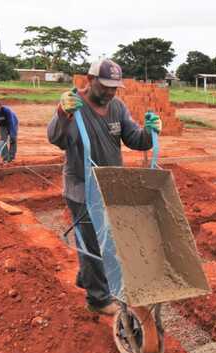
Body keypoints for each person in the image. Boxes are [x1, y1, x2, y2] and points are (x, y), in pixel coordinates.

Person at [47, 59, 162, 315]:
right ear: (90, 80)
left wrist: (150, 132)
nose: (111, 92)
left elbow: (134, 139)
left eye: (115, 87)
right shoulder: (74, 105)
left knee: (108, 240)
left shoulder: (117, 108)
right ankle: (97, 300)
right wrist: (61, 114)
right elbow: (56, 139)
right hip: (82, 186)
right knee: (91, 242)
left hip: (111, 185)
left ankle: (87, 277)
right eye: (106, 86)